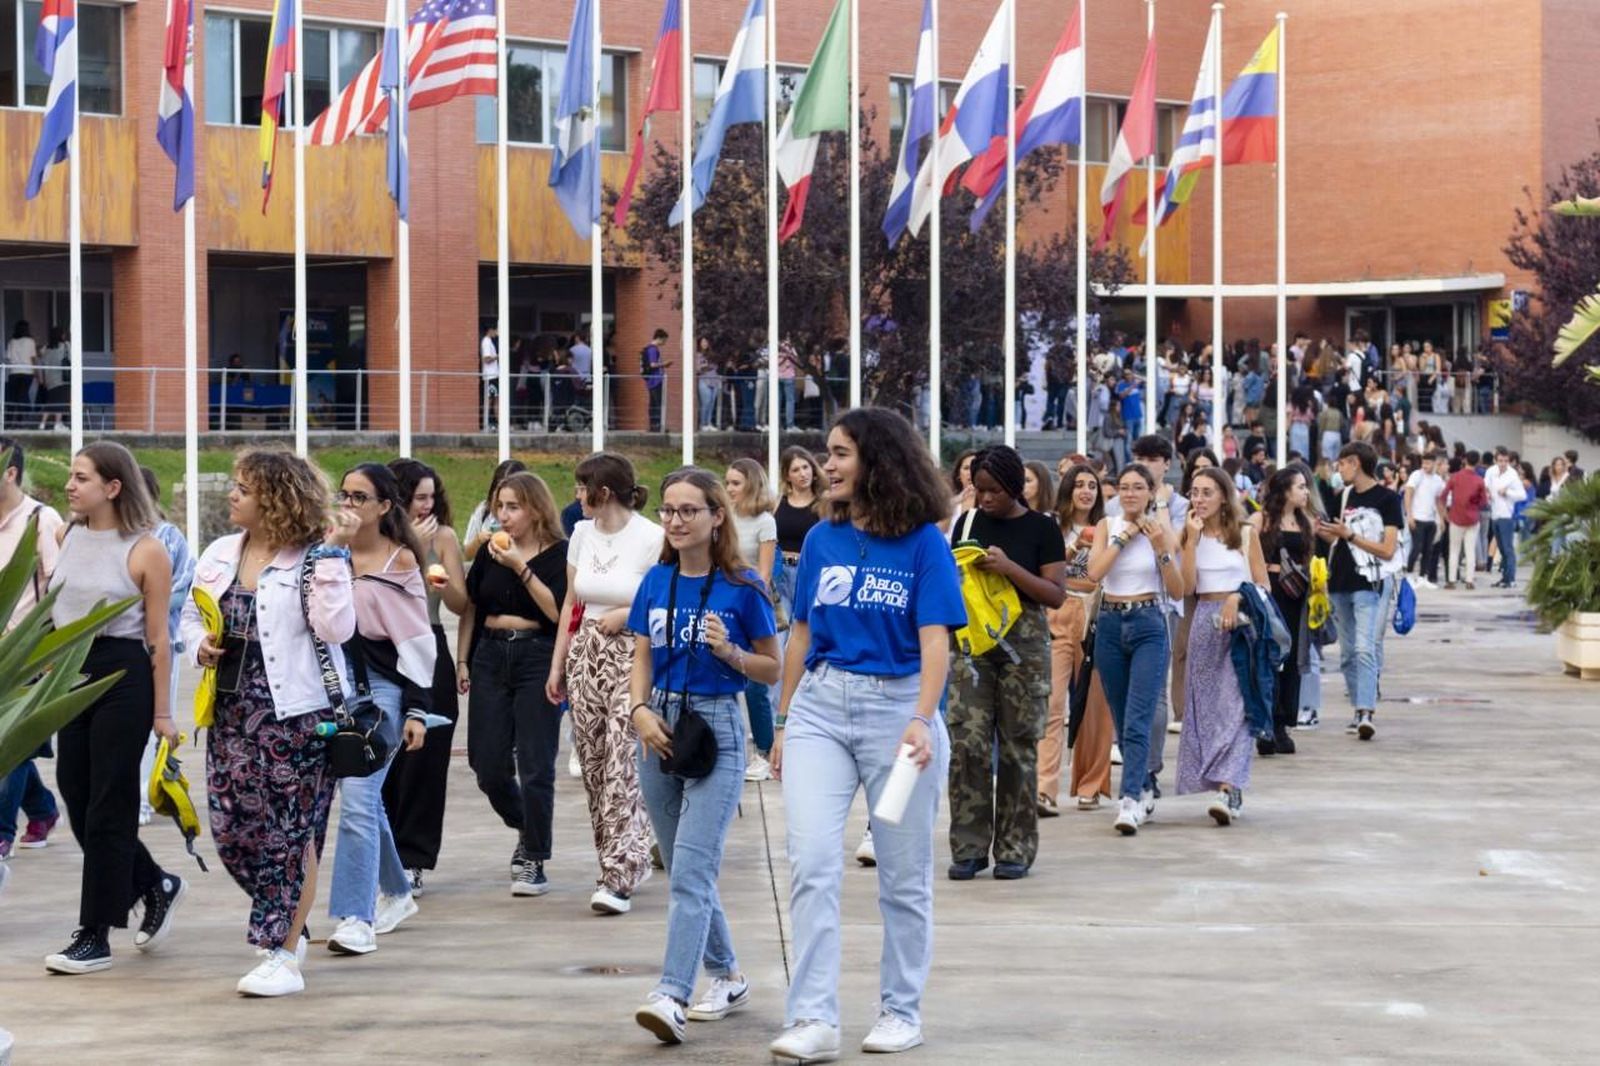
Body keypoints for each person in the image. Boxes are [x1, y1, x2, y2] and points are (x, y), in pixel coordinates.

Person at [767, 408, 961, 1062]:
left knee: (903, 878)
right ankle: (814, 1020)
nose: (829, 464)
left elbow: (937, 642)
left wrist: (922, 719)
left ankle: (901, 1011)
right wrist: (786, 721)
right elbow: (800, 633)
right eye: (828, 452)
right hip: (821, 708)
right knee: (813, 865)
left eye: (841, 453)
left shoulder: (925, 545)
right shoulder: (822, 539)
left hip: (901, 714)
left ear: (878, 460)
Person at [184, 448, 358, 996]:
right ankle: (289, 923)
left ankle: (281, 951)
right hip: (231, 713)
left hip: (298, 716)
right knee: (234, 832)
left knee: (289, 835)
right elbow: (189, 614)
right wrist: (199, 645)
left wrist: (332, 560)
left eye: (244, 487)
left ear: (275, 498)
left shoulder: (314, 558)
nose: (232, 494)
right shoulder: (219, 551)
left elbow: (337, 629)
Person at [628, 469, 780, 1045]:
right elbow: (642, 652)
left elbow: (772, 667)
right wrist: (638, 708)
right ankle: (729, 974)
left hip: (717, 720)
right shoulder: (656, 581)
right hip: (658, 723)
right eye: (669, 510)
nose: (675, 520)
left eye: (689, 510)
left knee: (692, 871)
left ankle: (671, 993)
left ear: (718, 515)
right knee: (683, 866)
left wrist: (730, 651)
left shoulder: (743, 587)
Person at [44, 442, 181, 975]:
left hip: (123, 675)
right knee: (76, 795)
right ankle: (153, 883)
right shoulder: (68, 533)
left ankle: (94, 934)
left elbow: (159, 641)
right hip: (69, 671)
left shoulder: (147, 551)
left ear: (113, 487)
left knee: (109, 804)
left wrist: (164, 714)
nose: (70, 486)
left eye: (81, 478)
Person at [321, 464, 432, 956]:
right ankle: (398, 892)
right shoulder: (326, 554)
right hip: (327, 691)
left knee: (359, 802)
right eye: (344, 494)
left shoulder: (399, 561)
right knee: (366, 801)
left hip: (382, 693)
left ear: (385, 507)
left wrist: (417, 711)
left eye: (360, 497)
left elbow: (416, 642)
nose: (349, 504)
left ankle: (354, 916)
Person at [547, 453, 663, 915]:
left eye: (582, 488)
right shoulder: (580, 535)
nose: (577, 497)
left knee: (623, 762)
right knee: (594, 766)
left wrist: (625, 615)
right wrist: (558, 665)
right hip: (585, 652)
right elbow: (571, 605)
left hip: (634, 653)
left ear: (605, 492)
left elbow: (659, 597)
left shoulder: (651, 537)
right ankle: (627, 847)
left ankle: (619, 873)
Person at [945, 446, 1065, 881]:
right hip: (973, 644)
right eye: (978, 490)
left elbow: (1055, 594)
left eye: (993, 490)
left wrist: (1009, 567)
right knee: (967, 744)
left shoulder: (1042, 528)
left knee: (1018, 745)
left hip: (1025, 646)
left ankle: (1015, 847)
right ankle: (969, 846)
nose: (984, 498)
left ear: (1014, 487)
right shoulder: (968, 521)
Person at [458, 472, 569, 896]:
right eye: (498, 507)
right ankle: (527, 823)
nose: (502, 516)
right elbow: (471, 606)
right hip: (489, 653)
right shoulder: (490, 550)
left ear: (536, 509)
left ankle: (534, 857)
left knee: (537, 764)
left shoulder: (559, 554)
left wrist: (520, 568)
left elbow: (558, 612)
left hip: (537, 654)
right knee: (486, 764)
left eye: (512, 507)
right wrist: (463, 660)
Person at [1085, 463, 1185, 835]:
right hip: (1111, 621)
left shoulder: (1160, 531)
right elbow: (1094, 573)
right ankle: (1142, 785)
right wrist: (1122, 540)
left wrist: (1160, 547)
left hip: (1148, 622)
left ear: (1149, 492)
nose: (1129, 494)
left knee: (1139, 715)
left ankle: (1128, 799)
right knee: (1122, 713)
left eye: (1137, 487)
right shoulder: (1107, 527)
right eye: (1123, 487)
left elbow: (1176, 590)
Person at [383, 459, 468, 895]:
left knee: (426, 756)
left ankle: (413, 857)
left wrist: (442, 582)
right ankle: (386, 853)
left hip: (427, 641)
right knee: (385, 754)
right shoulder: (375, 538)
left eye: (432, 497)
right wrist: (412, 550)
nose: (427, 505)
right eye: (419, 497)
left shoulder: (445, 536)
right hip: (382, 647)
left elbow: (458, 603)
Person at [1178, 468, 1268, 824]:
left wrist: (1236, 597)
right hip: (1203, 622)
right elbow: (1187, 587)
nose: (1198, 499)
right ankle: (1224, 783)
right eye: (1194, 492)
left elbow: (1263, 584)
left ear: (1223, 496)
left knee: (1237, 705)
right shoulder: (1192, 534)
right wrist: (1189, 540)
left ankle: (1229, 788)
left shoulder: (1245, 534)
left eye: (1206, 493)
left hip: (1241, 625)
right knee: (1207, 707)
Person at [0, 438, 64, 860]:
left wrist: (54, 651)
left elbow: (60, 586)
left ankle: (2, 829)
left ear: (11, 472)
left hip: (28, 653)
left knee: (14, 743)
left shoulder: (41, 520)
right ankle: (42, 807)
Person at [1318, 442, 1402, 741]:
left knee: (1365, 648)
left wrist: (1349, 534)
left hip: (1369, 583)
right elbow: (1339, 541)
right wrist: (1327, 532)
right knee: (1347, 653)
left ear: (1355, 463)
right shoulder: (1345, 497)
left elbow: (1388, 549)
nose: (1339, 470)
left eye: (1342, 464)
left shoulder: (1388, 499)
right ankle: (1357, 708)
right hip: (1339, 581)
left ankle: (1367, 710)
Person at [1043, 464, 1112, 813]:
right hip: (1057, 610)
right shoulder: (1050, 525)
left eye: (1093, 486)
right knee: (1053, 703)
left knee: (1094, 706)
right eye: (1079, 484)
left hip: (1095, 612)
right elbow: (1044, 568)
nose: (1086, 491)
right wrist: (1072, 548)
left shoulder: (1108, 528)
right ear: (1067, 488)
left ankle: (1091, 785)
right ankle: (1044, 787)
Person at [135, 468, 197, 827]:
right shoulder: (115, 535)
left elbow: (180, 591)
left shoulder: (168, 537)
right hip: (120, 646)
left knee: (154, 723)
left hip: (162, 645)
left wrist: (139, 602)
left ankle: (144, 795)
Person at [1252, 466, 1314, 755]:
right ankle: (1265, 722)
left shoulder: (1305, 522)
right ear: (1285, 490)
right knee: (1268, 657)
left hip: (1297, 595)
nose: (1305, 492)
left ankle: (1282, 722)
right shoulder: (1261, 520)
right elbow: (1247, 556)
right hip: (1269, 592)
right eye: (1300, 486)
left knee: (1292, 660)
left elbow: (1310, 558)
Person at [725, 458, 779, 782]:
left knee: (757, 686)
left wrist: (742, 597)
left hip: (751, 602)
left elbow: (764, 572)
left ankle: (764, 750)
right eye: (727, 482)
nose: (729, 488)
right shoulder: (724, 517)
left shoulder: (764, 521)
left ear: (751, 484)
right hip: (721, 599)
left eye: (735, 483)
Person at [1438, 455, 1487, 590]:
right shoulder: (1479, 480)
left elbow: (1443, 496)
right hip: (1473, 518)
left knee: (1454, 550)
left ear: (1465, 461)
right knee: (1470, 550)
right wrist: (1474, 505)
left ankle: (1451, 580)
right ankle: (1469, 580)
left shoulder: (1455, 477)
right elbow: (1484, 502)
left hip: (1456, 517)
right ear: (1477, 463)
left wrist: (1445, 514)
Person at [463, 458, 527, 561]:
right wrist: (479, 540)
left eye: (513, 507)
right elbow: (467, 554)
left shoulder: (531, 517)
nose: (504, 515)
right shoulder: (484, 511)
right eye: (500, 505)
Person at [1484, 447, 1526, 588]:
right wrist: (1487, 493)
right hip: (1494, 513)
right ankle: (1505, 577)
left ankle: (1511, 578)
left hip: (1506, 515)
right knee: (1501, 548)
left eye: (1506, 461)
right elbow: (1485, 486)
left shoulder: (1512, 475)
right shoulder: (1491, 472)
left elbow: (1522, 495)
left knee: (1508, 548)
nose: (1503, 463)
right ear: (1495, 460)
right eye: (1500, 461)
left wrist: (1507, 492)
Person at [1404, 452, 1445, 588]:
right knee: (1417, 547)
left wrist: (1442, 519)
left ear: (1434, 463)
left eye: (1428, 463)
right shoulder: (1417, 475)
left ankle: (1423, 577)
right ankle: (1409, 574)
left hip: (1430, 520)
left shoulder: (1438, 480)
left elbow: (1438, 501)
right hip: (1416, 518)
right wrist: (1409, 515)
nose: (1425, 466)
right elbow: (1408, 494)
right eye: (1423, 463)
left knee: (1428, 550)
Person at [3, 320, 39, 425]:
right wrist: (37, 372)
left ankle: (9, 421)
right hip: (27, 372)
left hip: (14, 372)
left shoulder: (11, 342)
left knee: (13, 397)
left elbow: (8, 358)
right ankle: (22, 420)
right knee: (23, 396)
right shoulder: (30, 341)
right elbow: (33, 358)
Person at [39, 327, 69, 431]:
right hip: (61, 378)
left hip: (49, 379)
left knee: (51, 401)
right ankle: (57, 423)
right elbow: (73, 358)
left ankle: (42, 423)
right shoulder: (66, 346)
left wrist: (42, 379)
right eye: (64, 334)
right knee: (60, 401)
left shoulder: (46, 348)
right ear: (61, 335)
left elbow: (42, 363)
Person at [643, 328, 670, 431]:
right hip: (655, 380)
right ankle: (657, 425)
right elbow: (652, 364)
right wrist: (665, 364)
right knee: (657, 403)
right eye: (664, 340)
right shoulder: (653, 349)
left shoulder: (651, 349)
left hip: (653, 380)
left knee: (654, 403)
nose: (664, 343)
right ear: (660, 338)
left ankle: (655, 425)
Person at [695, 337, 721, 430]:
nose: (704, 344)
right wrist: (704, 367)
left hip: (714, 380)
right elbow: (697, 368)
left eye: (706, 341)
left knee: (712, 403)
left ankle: (709, 423)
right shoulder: (697, 355)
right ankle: (703, 424)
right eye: (702, 342)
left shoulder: (712, 354)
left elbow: (716, 366)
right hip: (704, 380)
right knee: (705, 402)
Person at [480, 324, 500, 431]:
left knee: (496, 399)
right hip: (490, 375)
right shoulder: (486, 342)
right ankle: (487, 423)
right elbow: (486, 359)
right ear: (490, 330)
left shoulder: (490, 342)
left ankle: (496, 423)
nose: (496, 333)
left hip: (494, 375)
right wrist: (499, 356)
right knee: (491, 400)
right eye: (495, 330)